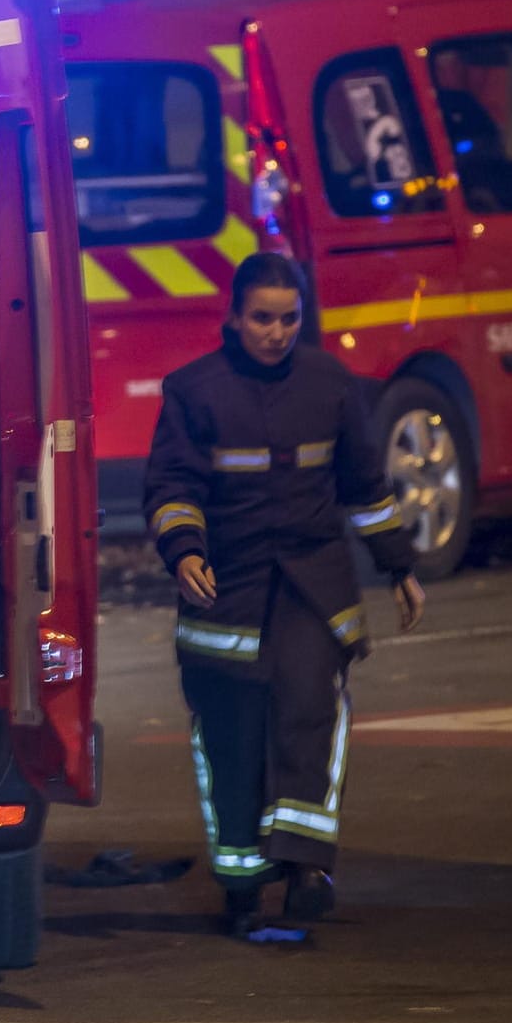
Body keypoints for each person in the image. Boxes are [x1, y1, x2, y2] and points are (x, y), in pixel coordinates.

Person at [143, 253, 426, 940]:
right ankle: (242, 880)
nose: (275, 332)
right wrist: (185, 553)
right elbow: (173, 487)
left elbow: (364, 486)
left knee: (310, 708)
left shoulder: (330, 383)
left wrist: (398, 567)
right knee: (231, 737)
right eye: (262, 318)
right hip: (226, 590)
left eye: (288, 319)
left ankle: (306, 870)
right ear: (234, 318)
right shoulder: (193, 391)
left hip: (313, 584)